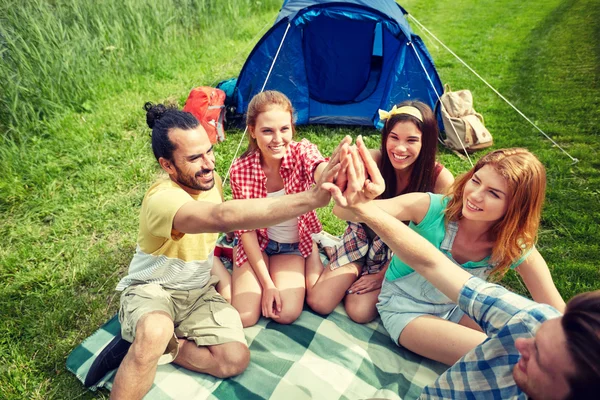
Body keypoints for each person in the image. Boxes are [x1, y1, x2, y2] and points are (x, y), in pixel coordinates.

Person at [84, 103, 347, 400]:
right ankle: (150, 336)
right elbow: (221, 219)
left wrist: (221, 277)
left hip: (197, 293)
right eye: (195, 158)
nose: (209, 163)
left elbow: (203, 246)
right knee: (156, 329)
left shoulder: (210, 183)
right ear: (167, 165)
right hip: (154, 289)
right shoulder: (162, 200)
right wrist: (311, 199)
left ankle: (146, 341)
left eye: (209, 150)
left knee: (234, 360)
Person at [325, 139, 600, 399]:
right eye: (476, 181)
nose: (475, 195)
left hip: (458, 308)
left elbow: (559, 316)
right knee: (508, 357)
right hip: (405, 308)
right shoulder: (430, 207)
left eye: (493, 193)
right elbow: (344, 213)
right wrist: (356, 201)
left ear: (515, 207)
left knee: (541, 347)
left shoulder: (515, 246)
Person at [306, 100, 454, 323]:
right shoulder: (374, 161)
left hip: (400, 254)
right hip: (361, 236)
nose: (400, 148)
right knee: (319, 301)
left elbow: (434, 242)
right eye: (394, 137)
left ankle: (342, 259)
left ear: (427, 141)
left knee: (359, 311)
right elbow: (340, 210)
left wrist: (380, 276)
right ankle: (312, 251)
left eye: (411, 140)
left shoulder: (440, 179)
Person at [229, 90, 332, 327]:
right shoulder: (240, 169)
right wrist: (268, 285)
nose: (278, 139)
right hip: (258, 244)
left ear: (292, 128)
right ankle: (221, 267)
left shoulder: (302, 153)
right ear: (252, 131)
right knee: (245, 317)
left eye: (284, 129)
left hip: (291, 248)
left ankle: (312, 250)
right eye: (267, 131)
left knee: (284, 313)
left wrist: (331, 174)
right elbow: (246, 230)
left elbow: (319, 167)